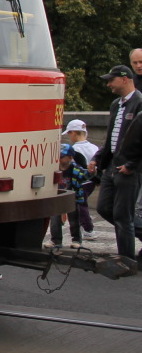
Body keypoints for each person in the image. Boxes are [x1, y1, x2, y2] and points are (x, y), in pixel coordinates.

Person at [90, 65, 142, 259]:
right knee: (104, 208)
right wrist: (98, 158)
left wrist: (132, 165)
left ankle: (126, 260)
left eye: (111, 80)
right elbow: (112, 136)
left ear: (125, 79)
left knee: (123, 216)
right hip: (112, 165)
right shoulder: (116, 104)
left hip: (128, 168)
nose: (109, 84)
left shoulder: (139, 103)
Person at [48, 144, 92, 249]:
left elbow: (84, 175)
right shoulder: (54, 168)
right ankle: (56, 240)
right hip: (57, 197)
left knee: (74, 220)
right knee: (55, 219)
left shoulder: (75, 169)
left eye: (62, 156)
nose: (59, 159)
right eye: (58, 156)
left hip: (72, 197)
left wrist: (91, 172)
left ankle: (76, 239)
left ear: (70, 157)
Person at [63, 119, 99, 236]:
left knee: (80, 205)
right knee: (83, 203)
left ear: (73, 133)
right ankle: (85, 227)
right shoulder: (94, 147)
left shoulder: (74, 150)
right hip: (92, 181)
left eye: (69, 134)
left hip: (80, 181)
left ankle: (88, 229)